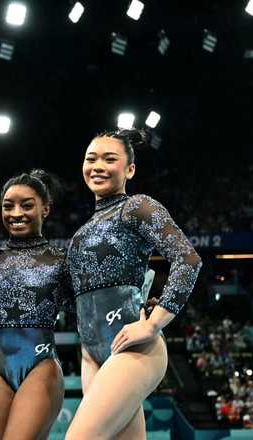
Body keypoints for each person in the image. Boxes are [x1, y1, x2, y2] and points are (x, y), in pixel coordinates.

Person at [65, 130, 202, 439]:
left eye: (109, 159)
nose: (98, 165)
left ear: (130, 169)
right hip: (92, 354)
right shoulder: (84, 229)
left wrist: (154, 324)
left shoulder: (136, 206)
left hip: (133, 349)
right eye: (91, 158)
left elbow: (188, 260)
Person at [0, 169, 73, 439]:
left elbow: (87, 308)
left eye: (27, 205)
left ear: (46, 209)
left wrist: (137, 306)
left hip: (41, 365)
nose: (16, 213)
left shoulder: (61, 260)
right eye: (8, 206)